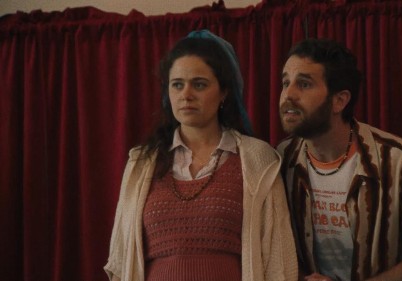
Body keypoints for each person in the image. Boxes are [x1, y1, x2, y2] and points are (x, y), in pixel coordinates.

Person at [104, 30, 297, 281]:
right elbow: (120, 260)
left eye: (199, 84)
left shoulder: (258, 159)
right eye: (177, 85)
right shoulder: (141, 164)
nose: (186, 95)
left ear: (224, 92)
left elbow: (277, 261)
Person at [277, 38, 402, 281]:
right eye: (285, 82)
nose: (288, 94)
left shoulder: (400, 161)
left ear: (340, 100)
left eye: (304, 84)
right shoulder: (280, 161)